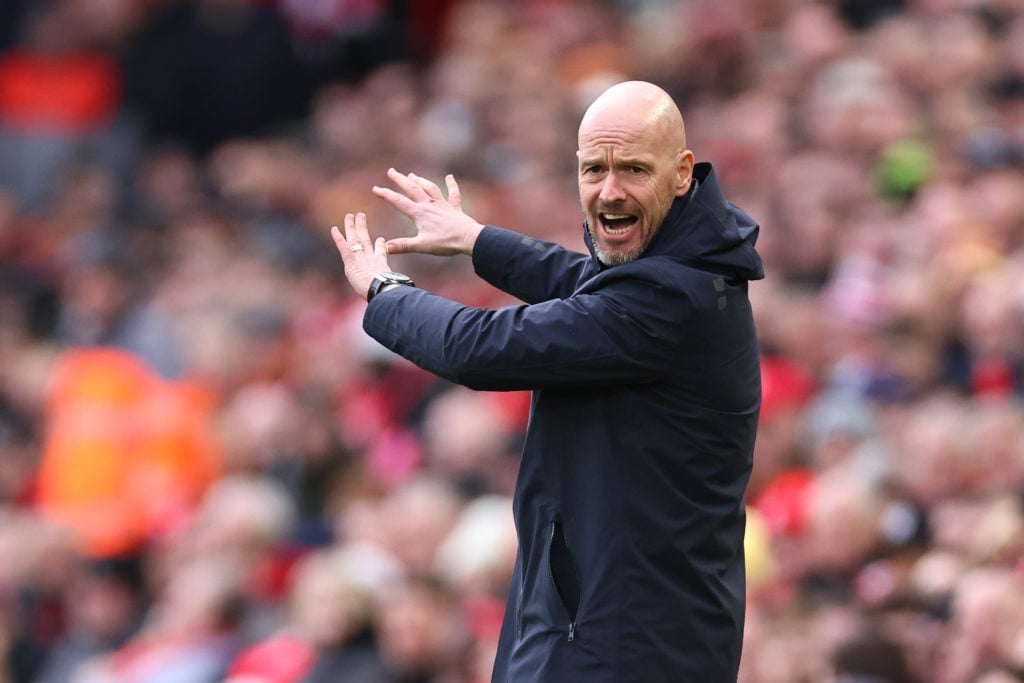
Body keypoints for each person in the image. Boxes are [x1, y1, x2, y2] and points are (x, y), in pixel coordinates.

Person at [331, 80, 764, 682]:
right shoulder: (679, 269)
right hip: (608, 617)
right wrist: (476, 240)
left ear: (682, 173)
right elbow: (581, 281)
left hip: (625, 640)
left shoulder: (668, 300)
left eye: (633, 169)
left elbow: (480, 349)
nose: (609, 191)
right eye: (594, 170)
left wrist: (385, 292)